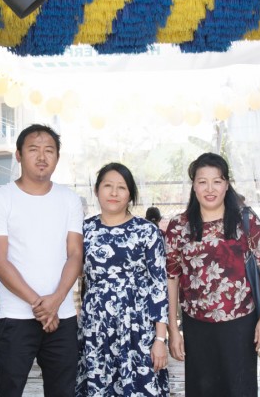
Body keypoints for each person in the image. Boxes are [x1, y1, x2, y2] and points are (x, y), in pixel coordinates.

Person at [165, 153, 260, 396]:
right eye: (202, 181)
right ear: (194, 186)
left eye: (217, 181)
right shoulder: (179, 226)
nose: (210, 188)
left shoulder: (245, 221)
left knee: (239, 389)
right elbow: (171, 278)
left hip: (240, 326)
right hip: (196, 327)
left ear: (227, 184)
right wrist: (173, 329)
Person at [0, 124, 84, 397]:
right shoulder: (1, 199)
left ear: (57, 158)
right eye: (33, 149)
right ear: (18, 155)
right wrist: (39, 305)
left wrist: (54, 302)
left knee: (63, 391)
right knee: (9, 390)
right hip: (15, 317)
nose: (42, 156)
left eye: (49, 150)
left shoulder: (69, 200)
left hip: (62, 317)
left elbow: (75, 254)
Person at [77, 163, 169, 396]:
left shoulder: (147, 231)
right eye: (108, 186)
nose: (114, 193)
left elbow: (159, 285)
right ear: (97, 190)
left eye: (122, 187)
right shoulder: (83, 230)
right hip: (95, 325)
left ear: (130, 194)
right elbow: (71, 277)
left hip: (138, 325)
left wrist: (160, 338)